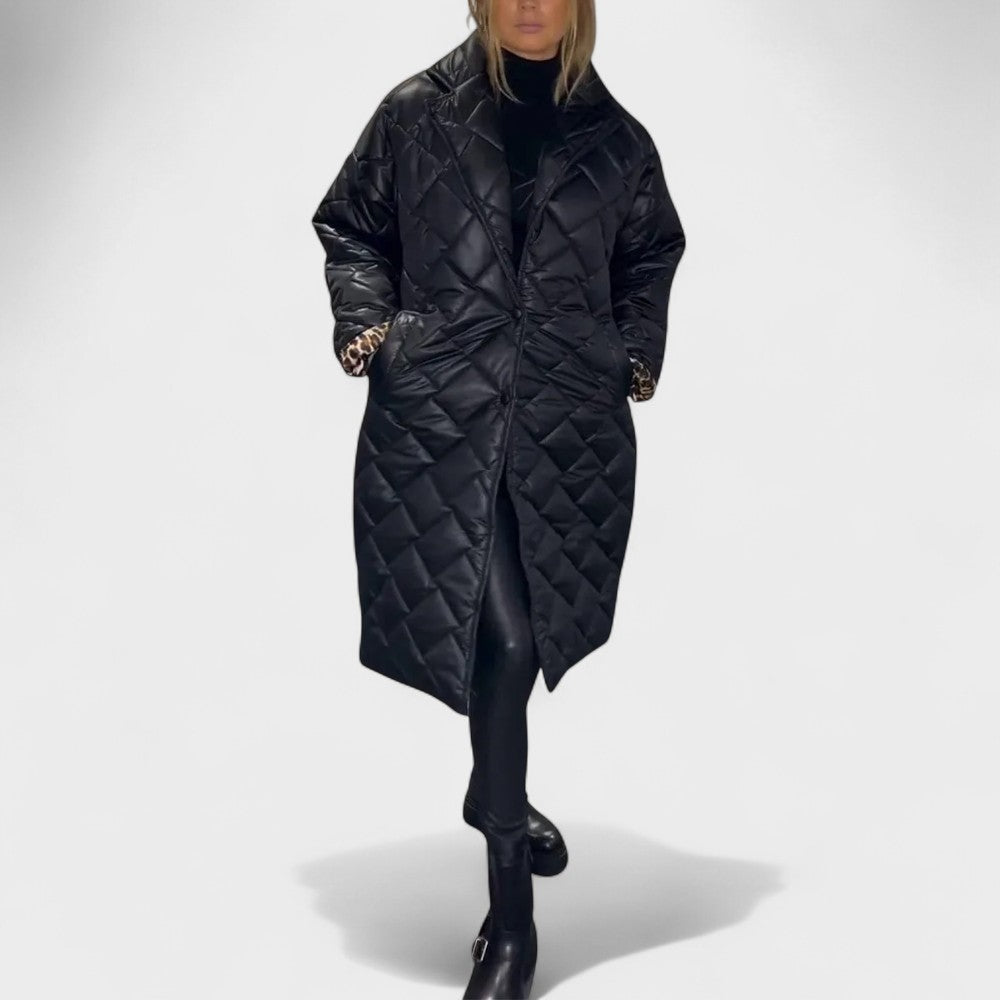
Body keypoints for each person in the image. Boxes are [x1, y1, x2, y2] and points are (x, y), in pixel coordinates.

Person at [310, 2, 685, 996]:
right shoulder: (416, 114)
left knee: (518, 639)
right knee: (506, 645)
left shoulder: (618, 140)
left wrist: (631, 350)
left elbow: (650, 250)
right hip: (442, 418)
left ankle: (492, 791)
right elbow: (351, 224)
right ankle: (510, 922)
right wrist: (372, 329)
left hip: (564, 427)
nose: (529, 4)